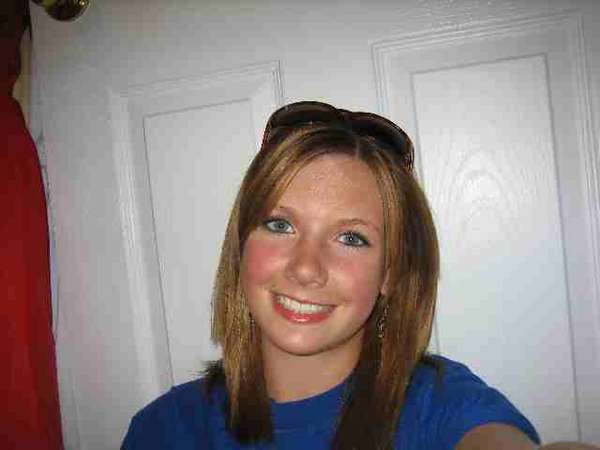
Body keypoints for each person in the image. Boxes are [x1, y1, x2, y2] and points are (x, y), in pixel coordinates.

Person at [121, 101, 593, 450]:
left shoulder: (439, 403)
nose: (306, 267)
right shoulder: (164, 429)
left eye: (351, 238)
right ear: (241, 246)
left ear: (391, 272)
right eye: (280, 225)